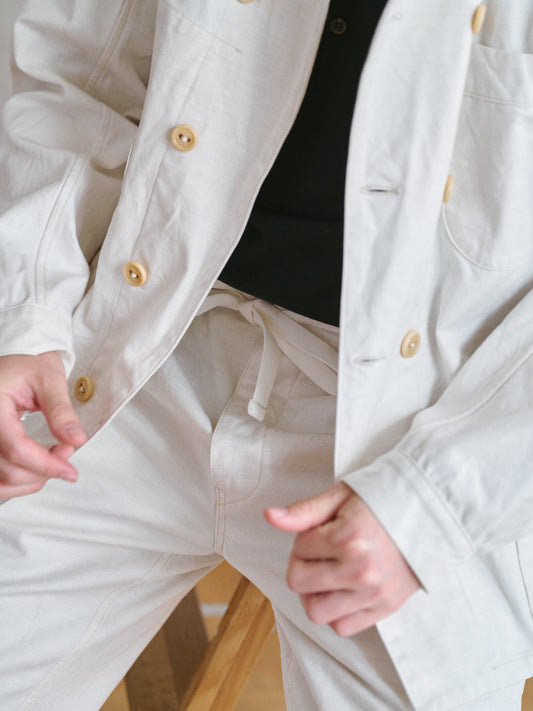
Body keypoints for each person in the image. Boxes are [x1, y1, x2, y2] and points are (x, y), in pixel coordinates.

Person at [0, 0, 532, 709]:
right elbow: (82, 74)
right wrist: (25, 314)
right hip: (147, 337)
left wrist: (434, 503)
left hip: (420, 426)